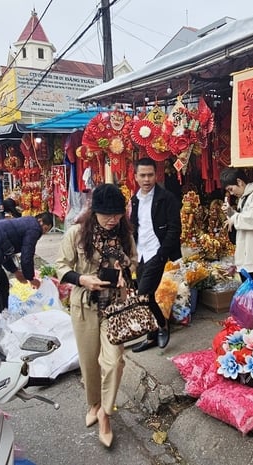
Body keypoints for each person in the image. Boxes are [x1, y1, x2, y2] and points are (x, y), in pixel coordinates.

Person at [56, 183, 137, 448]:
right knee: (89, 362)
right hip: (85, 305)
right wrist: (82, 279)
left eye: (117, 214)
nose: (113, 220)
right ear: (95, 212)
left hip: (115, 306)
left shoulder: (124, 234)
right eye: (107, 215)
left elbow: (134, 261)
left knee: (113, 362)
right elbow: (61, 267)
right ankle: (93, 404)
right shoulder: (76, 234)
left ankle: (105, 414)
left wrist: (126, 273)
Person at [0, 212, 54, 348]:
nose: (42, 233)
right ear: (40, 221)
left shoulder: (25, 223)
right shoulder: (34, 228)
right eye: (45, 229)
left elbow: (6, 250)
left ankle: (3, 321)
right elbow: (27, 255)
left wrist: (15, 271)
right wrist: (30, 278)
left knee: (3, 286)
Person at [129, 157, 182, 353]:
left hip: (156, 252)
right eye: (142, 175)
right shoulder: (134, 199)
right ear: (135, 176)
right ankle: (151, 336)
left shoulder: (166, 198)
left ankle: (162, 324)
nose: (147, 179)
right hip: (140, 253)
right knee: (146, 295)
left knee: (143, 295)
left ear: (156, 175)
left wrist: (162, 253)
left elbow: (175, 229)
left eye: (150, 175)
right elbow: (135, 226)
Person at [220, 167, 253, 284]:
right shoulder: (245, 197)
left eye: (231, 189)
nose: (231, 193)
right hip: (248, 255)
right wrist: (230, 213)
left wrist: (234, 217)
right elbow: (243, 218)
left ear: (239, 182)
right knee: (250, 296)